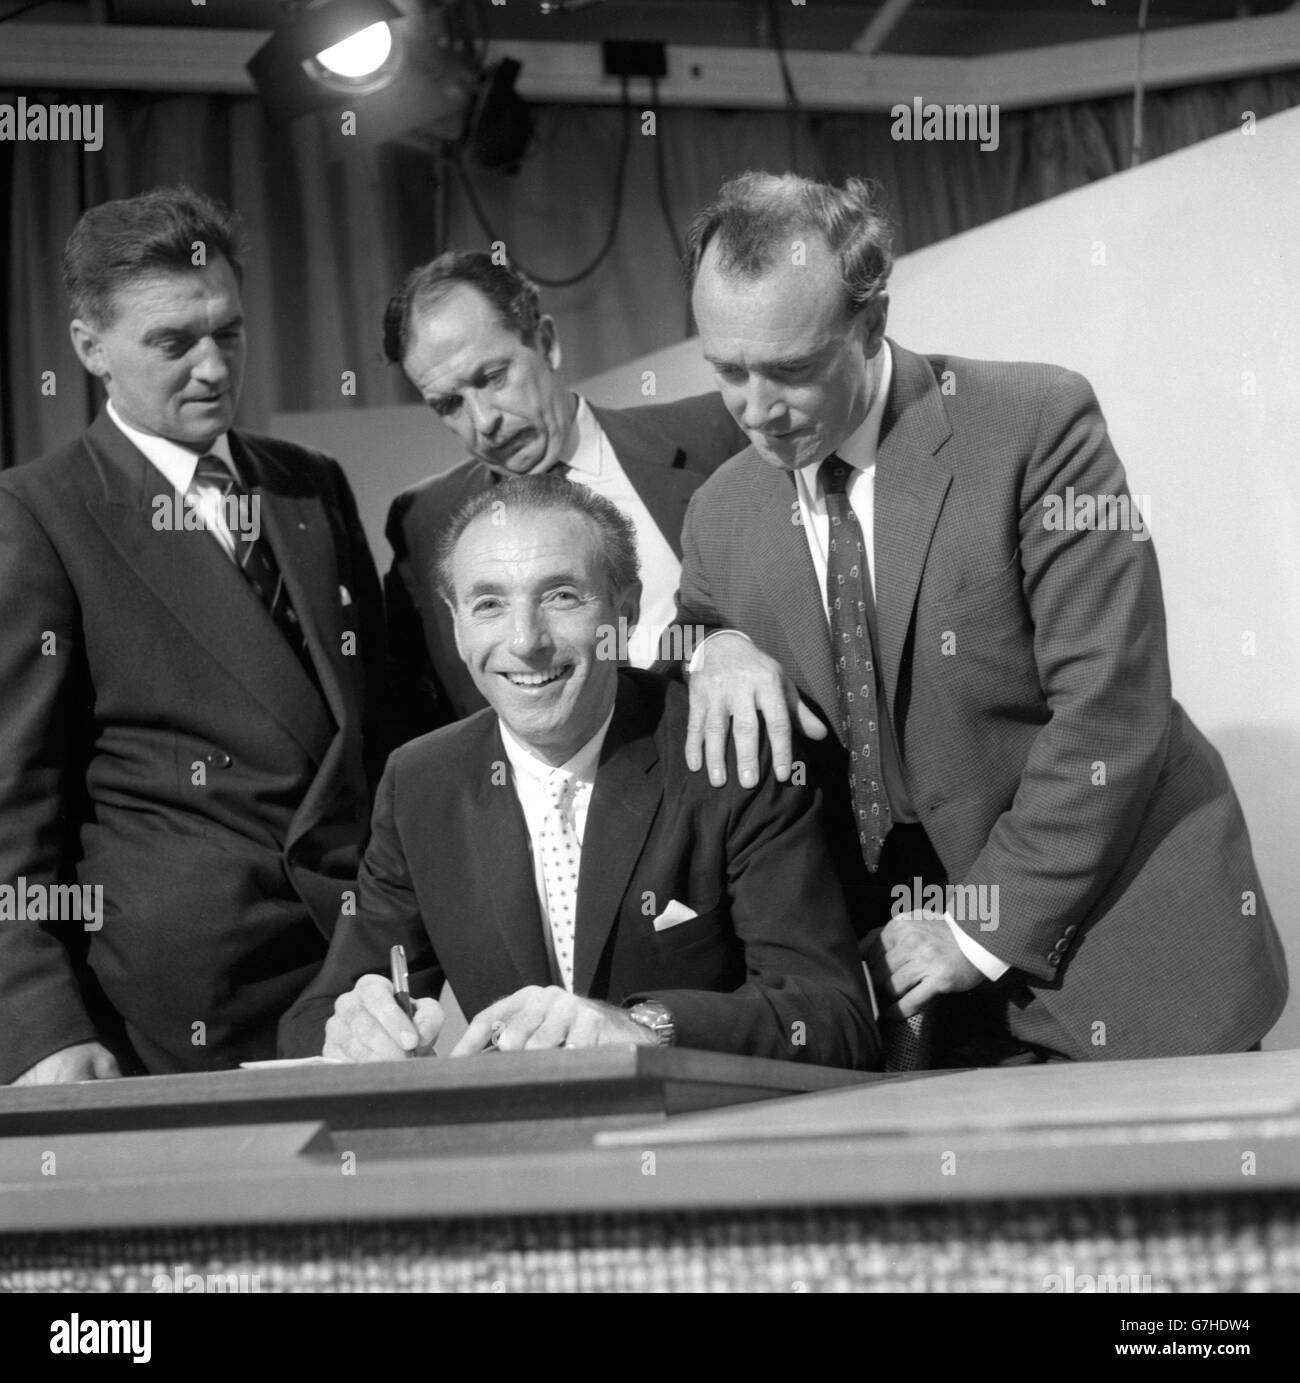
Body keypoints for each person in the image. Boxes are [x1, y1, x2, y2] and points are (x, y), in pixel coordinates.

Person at [673, 171, 1287, 1067]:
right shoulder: (720, 510)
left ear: (871, 320)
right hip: (911, 1010)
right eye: (728, 370)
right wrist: (713, 648)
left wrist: (973, 933)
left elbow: (1110, 710)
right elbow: (689, 626)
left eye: (792, 370)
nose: (757, 410)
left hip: (1121, 955)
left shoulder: (1036, 424)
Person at [280, 475, 877, 1069]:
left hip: (705, 1138)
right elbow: (314, 1019)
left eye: (561, 596)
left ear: (627, 608)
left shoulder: (727, 749)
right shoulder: (420, 782)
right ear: (455, 623)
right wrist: (356, 1029)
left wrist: (642, 1027)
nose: (525, 641)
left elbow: (829, 1017)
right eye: (488, 604)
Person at [0, 186, 388, 1084]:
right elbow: (12, 805)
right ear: (89, 348)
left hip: (356, 984)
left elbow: (385, 729)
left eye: (230, 332)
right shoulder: (39, 513)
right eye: (174, 343)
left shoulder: (310, 484)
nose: (213, 367)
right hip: (173, 1006)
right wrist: (38, 1024)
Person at [381, 252, 746, 739]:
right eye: (449, 404)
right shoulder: (423, 522)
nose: (483, 421)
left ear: (547, 343)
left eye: (492, 378)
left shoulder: (713, 438)